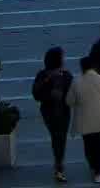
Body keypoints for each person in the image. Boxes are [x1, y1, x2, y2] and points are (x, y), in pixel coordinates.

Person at [68, 53, 100, 183]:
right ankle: (98, 171)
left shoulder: (76, 82)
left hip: (85, 122)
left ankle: (92, 165)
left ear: (82, 68)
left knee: (88, 146)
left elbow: (69, 101)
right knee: (99, 146)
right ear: (94, 67)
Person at [33, 47, 75, 182]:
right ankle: (59, 165)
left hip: (63, 111)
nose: (64, 60)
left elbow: (72, 94)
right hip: (50, 111)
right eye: (62, 57)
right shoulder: (43, 75)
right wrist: (49, 90)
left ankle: (58, 163)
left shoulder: (66, 75)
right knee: (58, 137)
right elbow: (36, 93)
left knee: (59, 137)